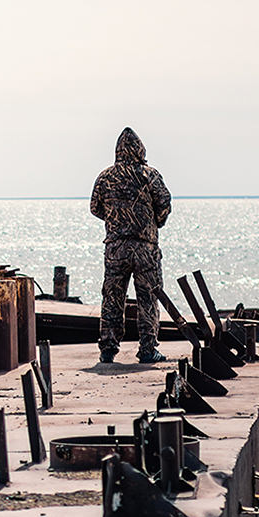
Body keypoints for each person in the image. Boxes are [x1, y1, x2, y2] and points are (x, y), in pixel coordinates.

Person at [89, 126, 171, 365]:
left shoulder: (105, 177)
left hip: (115, 248)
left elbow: (95, 208)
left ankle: (108, 349)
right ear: (140, 149)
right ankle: (147, 349)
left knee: (112, 298)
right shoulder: (150, 175)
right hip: (145, 247)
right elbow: (165, 203)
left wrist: (116, 220)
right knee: (148, 298)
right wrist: (153, 223)